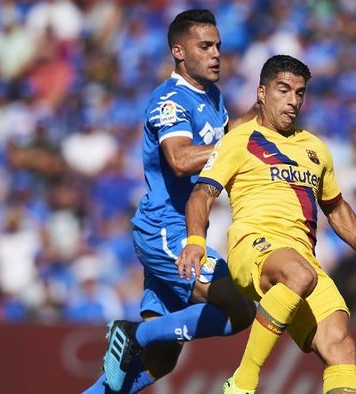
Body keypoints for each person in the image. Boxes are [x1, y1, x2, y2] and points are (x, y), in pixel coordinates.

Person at [176, 55, 356, 394]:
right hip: (254, 246)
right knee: (299, 273)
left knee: (340, 347)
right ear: (262, 93)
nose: (293, 100)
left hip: (302, 260)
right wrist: (196, 242)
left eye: (300, 93)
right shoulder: (240, 139)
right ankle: (243, 382)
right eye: (283, 90)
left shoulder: (315, 148)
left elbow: (335, 206)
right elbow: (202, 194)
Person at [86, 9, 256, 393]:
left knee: (161, 360)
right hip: (166, 231)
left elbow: (225, 133)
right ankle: (133, 333)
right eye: (205, 46)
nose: (216, 54)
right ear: (179, 51)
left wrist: (262, 115)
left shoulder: (211, 94)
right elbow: (180, 159)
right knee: (240, 308)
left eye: (218, 46)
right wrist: (234, 147)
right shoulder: (169, 101)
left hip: (185, 231)